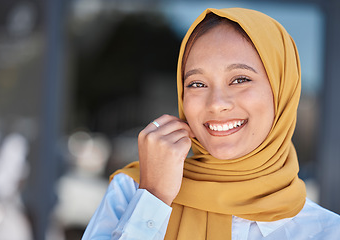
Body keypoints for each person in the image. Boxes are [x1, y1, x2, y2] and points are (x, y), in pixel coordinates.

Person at [82, 7, 340, 240]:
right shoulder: (133, 189)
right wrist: (153, 198)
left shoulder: (326, 231)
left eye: (240, 79)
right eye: (197, 84)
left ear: (282, 90)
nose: (216, 103)